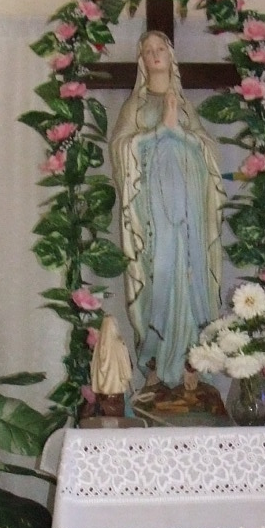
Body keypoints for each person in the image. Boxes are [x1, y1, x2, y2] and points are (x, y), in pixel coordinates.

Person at [109, 31, 225, 390]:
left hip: (189, 210)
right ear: (141, 61)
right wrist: (161, 131)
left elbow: (208, 150)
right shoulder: (135, 107)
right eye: (148, 51)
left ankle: (193, 364)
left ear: (171, 56)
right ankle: (158, 361)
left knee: (190, 276)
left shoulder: (185, 106)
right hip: (153, 213)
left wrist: (180, 132)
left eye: (161, 49)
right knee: (160, 273)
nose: (155, 54)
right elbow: (121, 149)